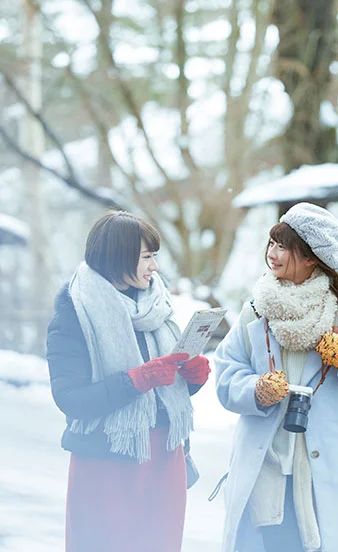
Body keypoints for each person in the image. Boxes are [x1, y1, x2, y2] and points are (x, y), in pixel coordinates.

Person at [213, 202, 338, 552]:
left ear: (312, 257)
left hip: (331, 472)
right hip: (268, 468)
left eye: (284, 246)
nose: (273, 253)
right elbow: (227, 373)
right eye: (271, 243)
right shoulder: (257, 310)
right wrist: (255, 390)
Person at [46, 211, 211, 552]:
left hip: (164, 458)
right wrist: (136, 380)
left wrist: (190, 378)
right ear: (117, 257)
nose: (154, 267)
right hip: (107, 461)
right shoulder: (74, 312)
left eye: (154, 257)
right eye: (146, 257)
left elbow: (166, 386)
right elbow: (71, 398)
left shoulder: (156, 306)